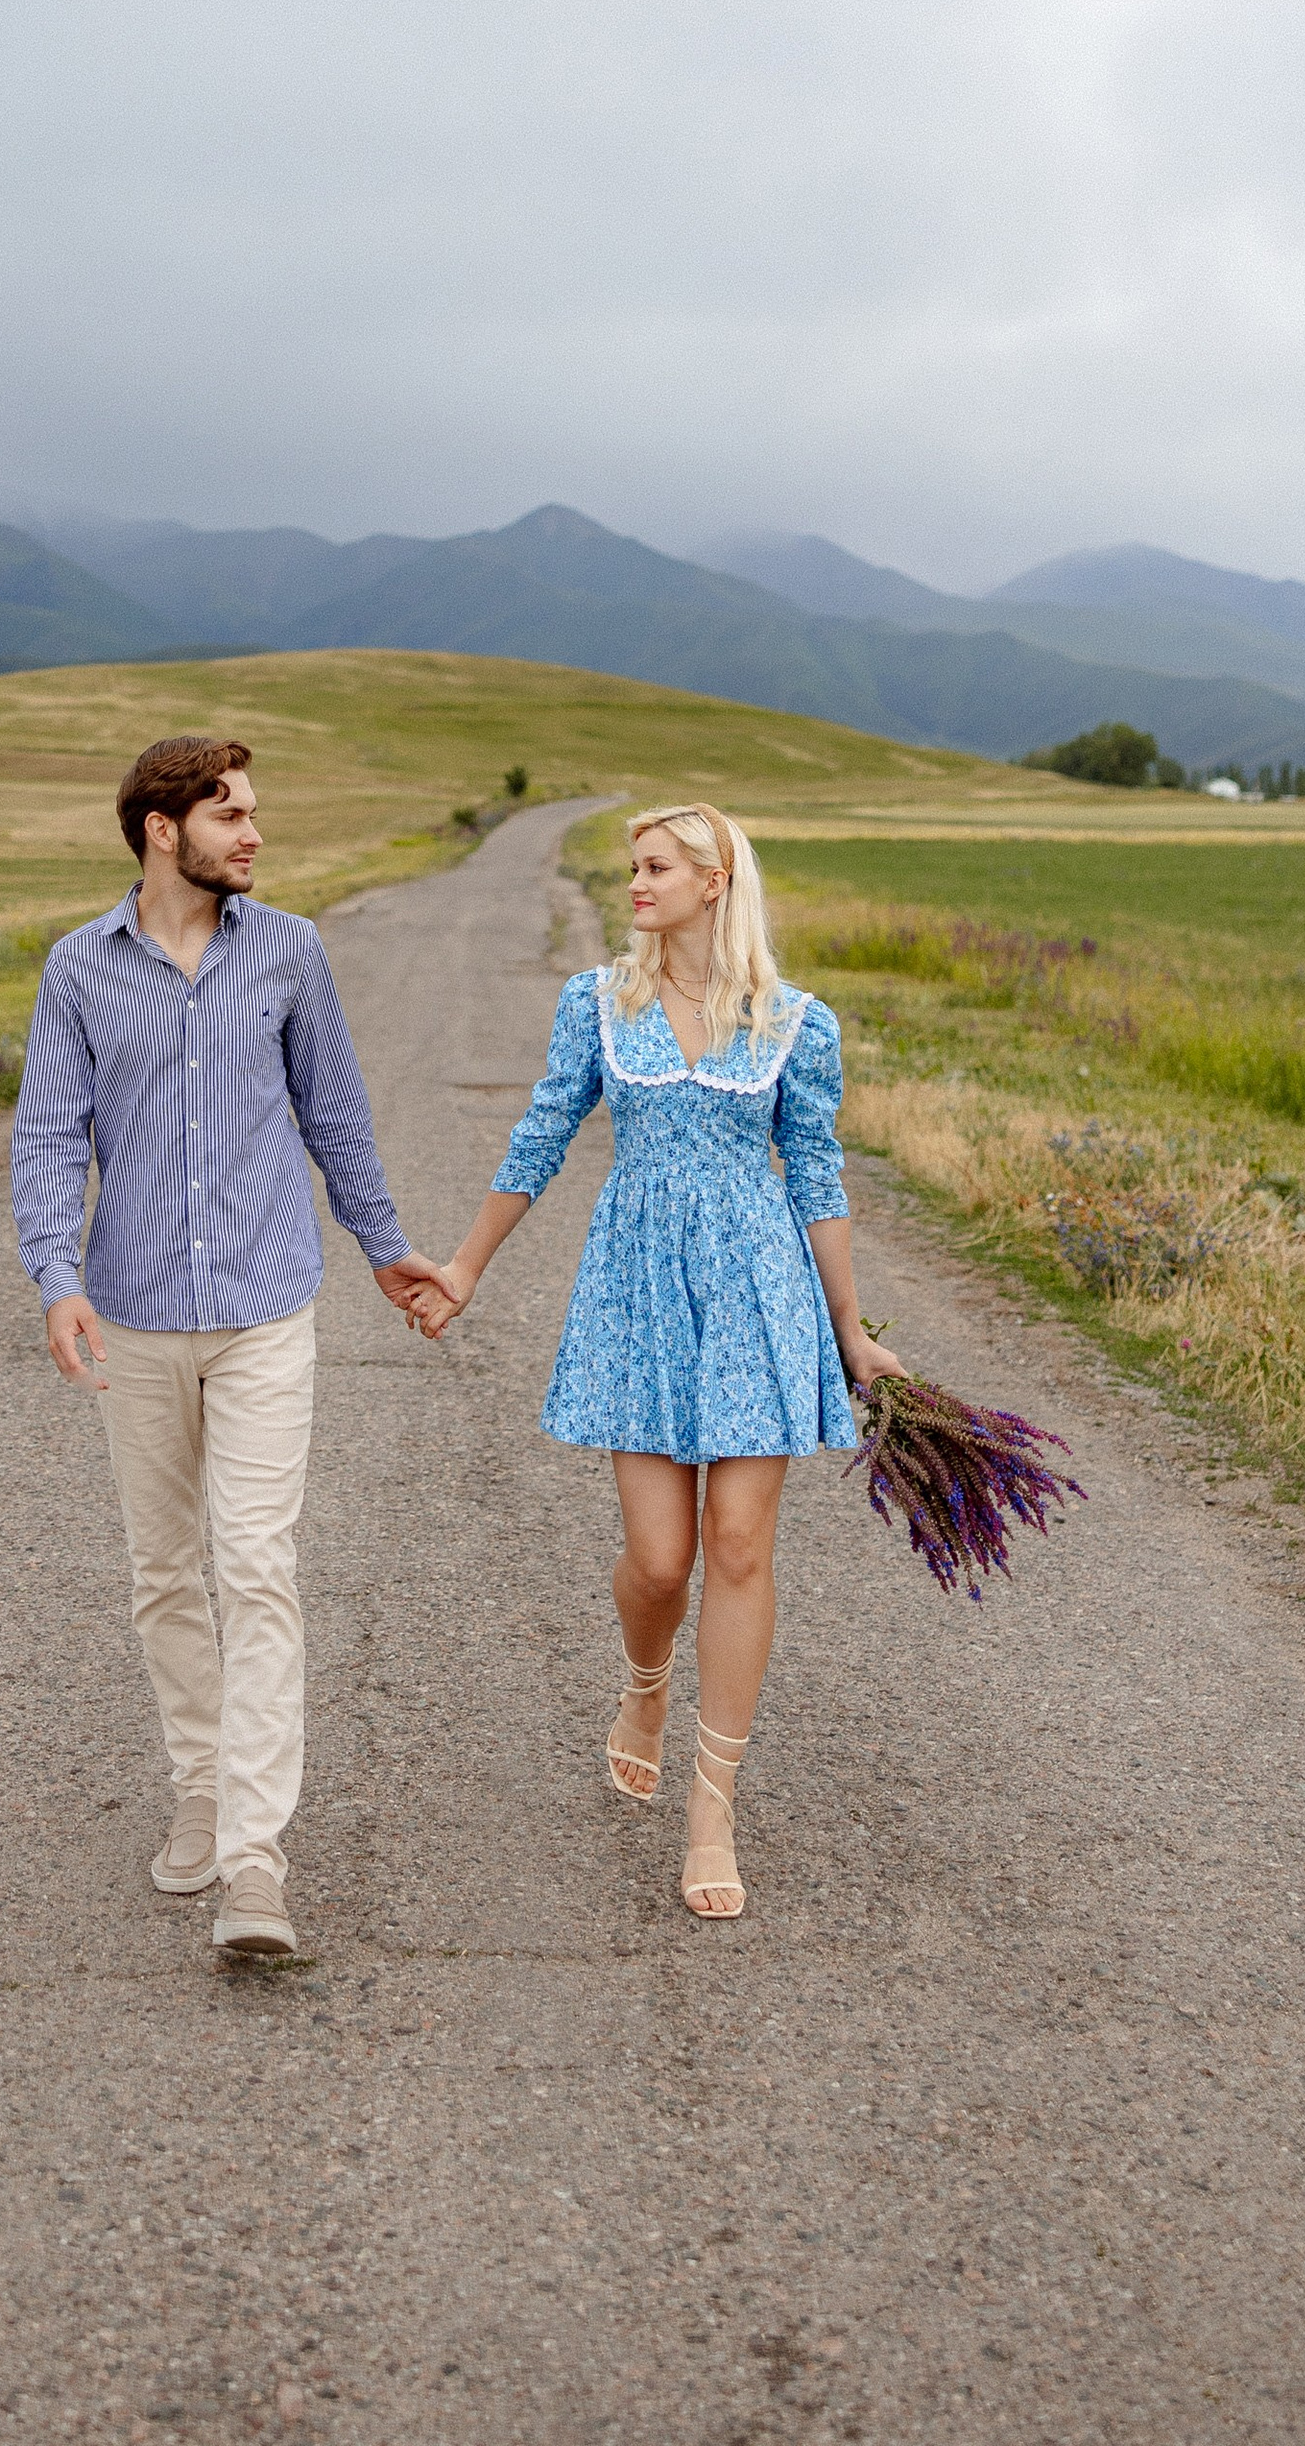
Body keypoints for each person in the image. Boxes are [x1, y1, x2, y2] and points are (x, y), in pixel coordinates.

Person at [410, 803, 904, 1921]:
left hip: (759, 1295)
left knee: (737, 1545)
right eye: (630, 866)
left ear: (715, 881)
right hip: (638, 1293)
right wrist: (466, 1268)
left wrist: (849, 1327)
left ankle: (713, 1801)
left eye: (653, 867)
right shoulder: (598, 1003)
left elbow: (816, 1175)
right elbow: (540, 1133)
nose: (633, 884)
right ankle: (644, 1687)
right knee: (660, 1561)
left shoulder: (794, 1024)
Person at [11, 735, 444, 1957]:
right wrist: (55, 1278)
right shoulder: (78, 971)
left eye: (254, 814)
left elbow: (336, 1116)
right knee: (163, 1571)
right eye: (230, 815)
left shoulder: (291, 952)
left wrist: (383, 1244)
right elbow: (49, 1137)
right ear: (163, 830)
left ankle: (255, 1857)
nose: (253, 834)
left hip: (265, 1307)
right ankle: (196, 1787)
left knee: (255, 1562)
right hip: (135, 1312)